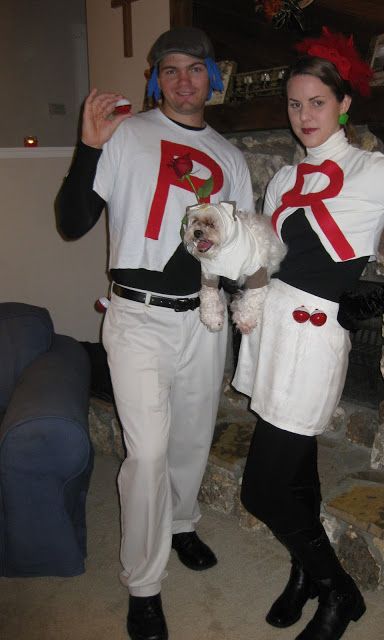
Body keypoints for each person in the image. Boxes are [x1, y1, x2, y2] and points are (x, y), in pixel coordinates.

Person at [231, 27, 384, 640]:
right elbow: (270, 253)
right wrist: (240, 289)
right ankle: (303, 575)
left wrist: (374, 301)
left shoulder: (373, 169)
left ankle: (340, 590)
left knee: (261, 489)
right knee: (297, 471)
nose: (303, 115)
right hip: (270, 330)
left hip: (313, 339)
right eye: (294, 103)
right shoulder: (283, 179)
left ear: (343, 104)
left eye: (317, 102)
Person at [56, 26, 254, 640]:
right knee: (146, 454)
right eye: (169, 70)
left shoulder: (231, 157)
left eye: (195, 68)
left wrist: (250, 312)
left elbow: (240, 246)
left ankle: (182, 523)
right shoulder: (127, 135)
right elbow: (71, 222)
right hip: (137, 316)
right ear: (155, 78)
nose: (183, 80)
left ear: (212, 77)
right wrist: (87, 147)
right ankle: (143, 583)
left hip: (203, 315)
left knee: (194, 435)